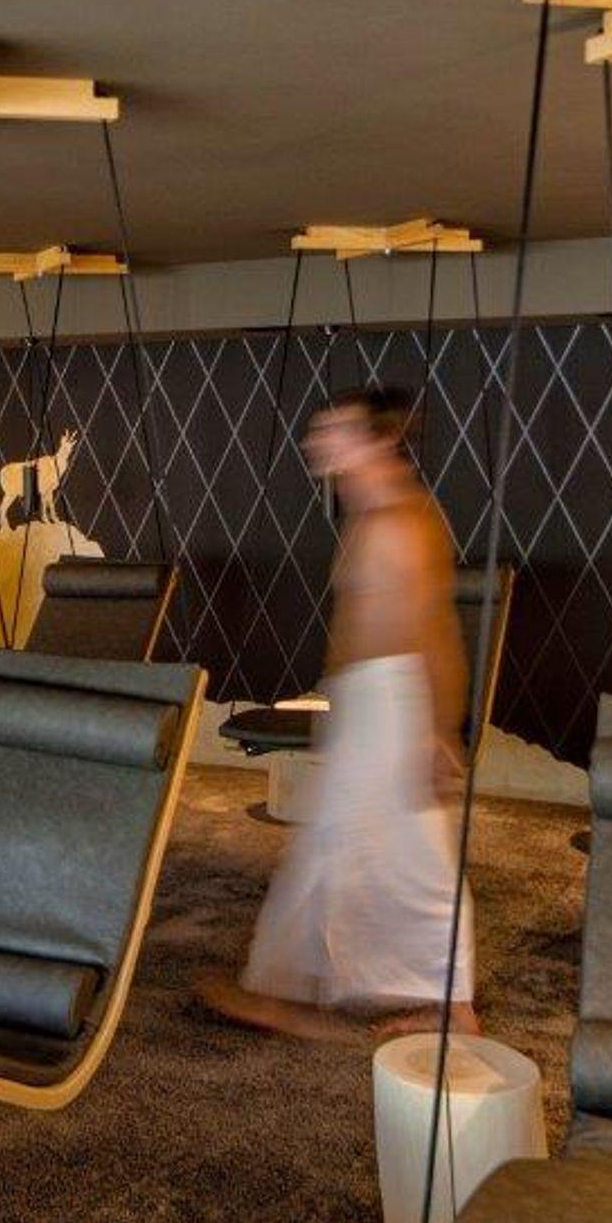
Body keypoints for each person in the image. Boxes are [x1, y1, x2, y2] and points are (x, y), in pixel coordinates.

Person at [201, 388, 478, 1040]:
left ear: (380, 439)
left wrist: (438, 729)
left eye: (337, 431)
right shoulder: (367, 514)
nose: (318, 441)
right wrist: (337, 700)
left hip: (395, 702)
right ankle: (297, 987)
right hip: (364, 697)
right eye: (320, 430)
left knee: (403, 852)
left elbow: (436, 631)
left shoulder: (404, 520)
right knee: (342, 843)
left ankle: (443, 1005)